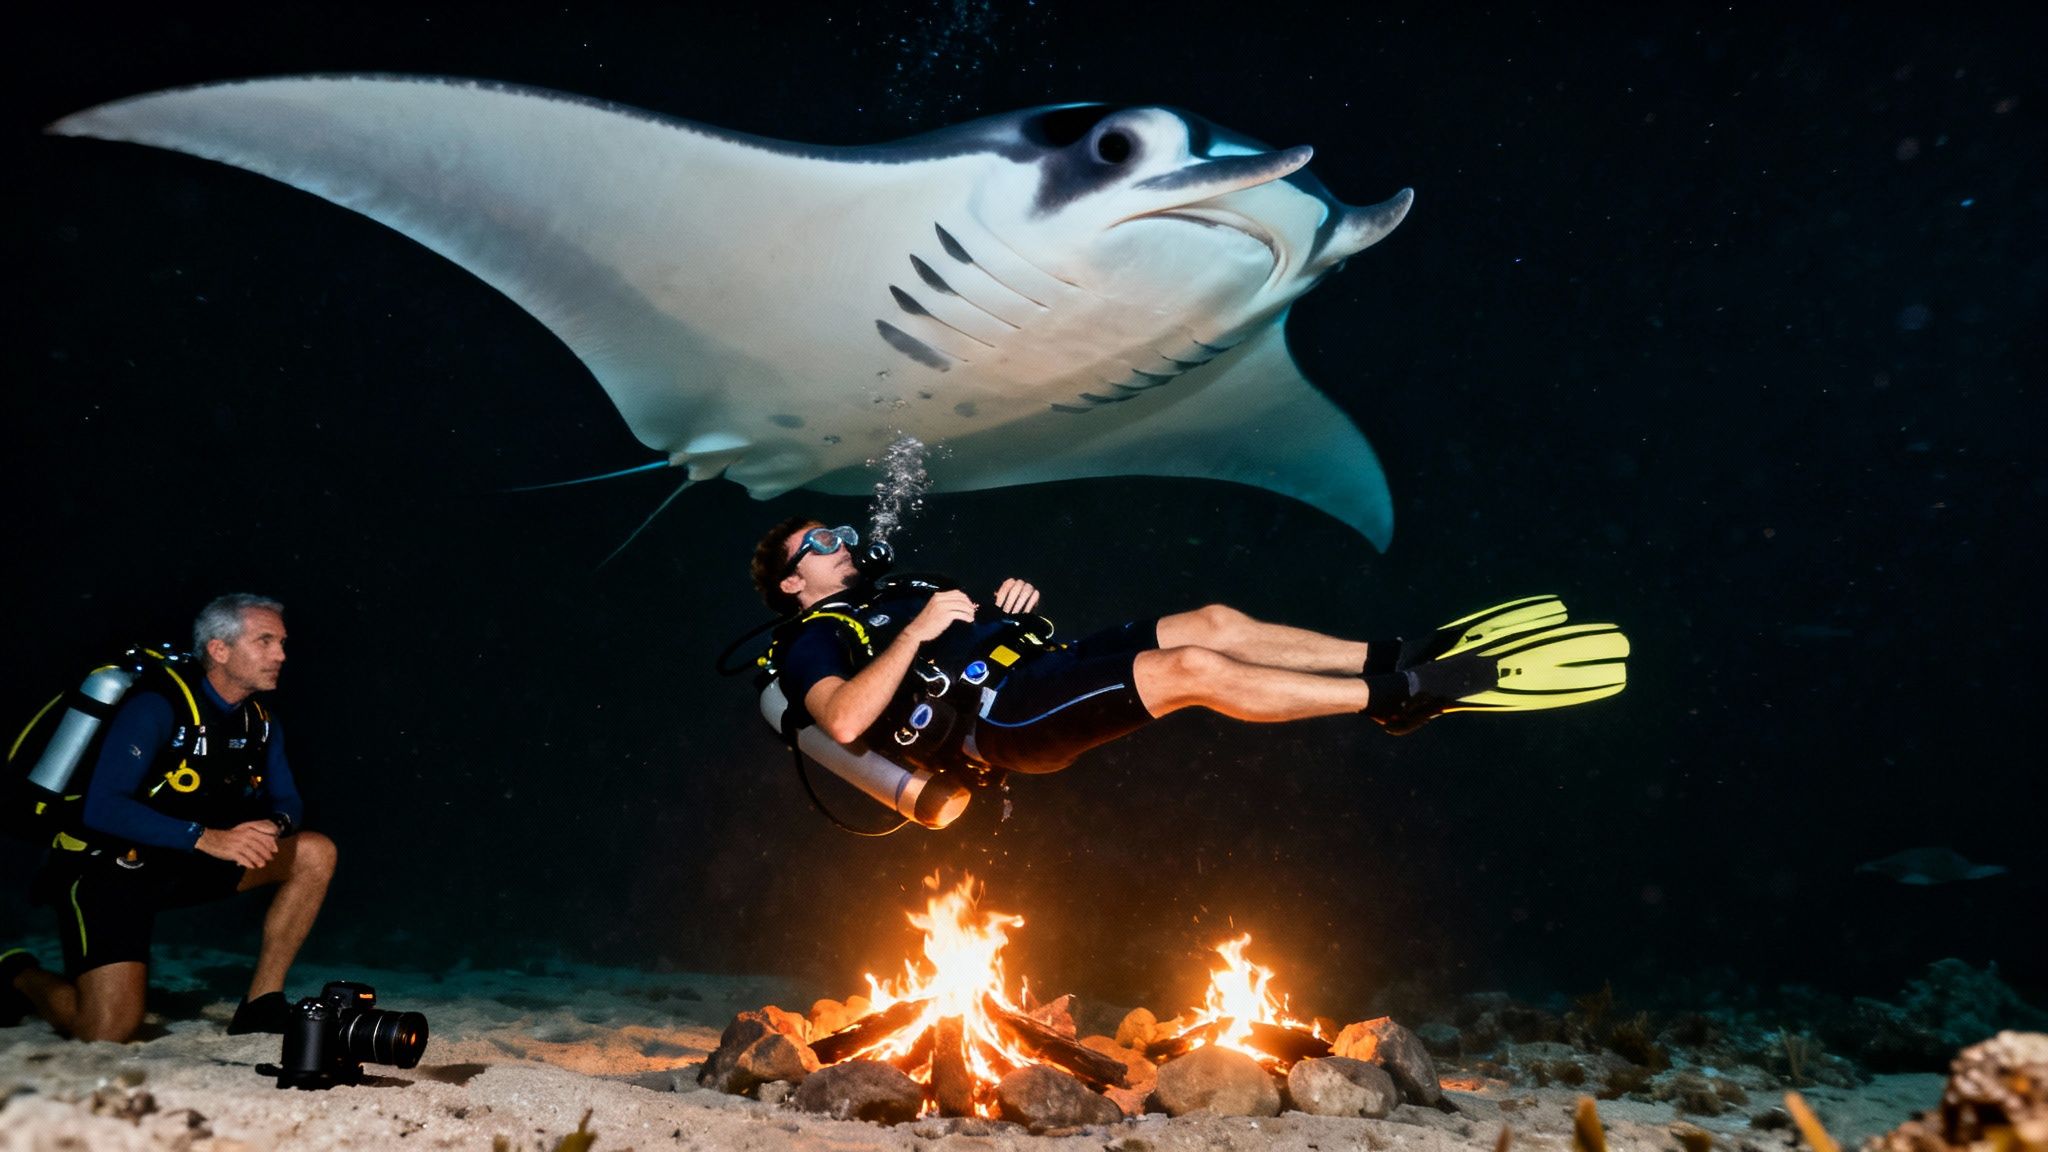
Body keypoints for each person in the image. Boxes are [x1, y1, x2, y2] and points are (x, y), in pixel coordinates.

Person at [747, 517, 1630, 783]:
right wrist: (918, 631)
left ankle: (1389, 652)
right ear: (791, 582)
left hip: (1038, 666)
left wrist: (1006, 608)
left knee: (1208, 621)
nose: (842, 543)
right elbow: (847, 721)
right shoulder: (811, 640)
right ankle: (1399, 697)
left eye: (840, 533)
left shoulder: (893, 593)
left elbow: (962, 634)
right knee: (1193, 673)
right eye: (818, 543)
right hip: (1003, 722)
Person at [1, 594, 337, 1042]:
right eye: (265, 641)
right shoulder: (155, 706)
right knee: (106, 1031)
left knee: (314, 851)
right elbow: (102, 806)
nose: (281, 655)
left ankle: (261, 1003)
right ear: (219, 649)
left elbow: (289, 800)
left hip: (179, 861)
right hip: (107, 869)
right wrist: (206, 837)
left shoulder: (259, 722)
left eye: (282, 642)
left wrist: (274, 825)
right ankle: (17, 973)